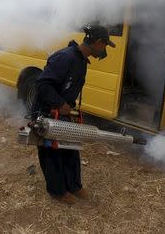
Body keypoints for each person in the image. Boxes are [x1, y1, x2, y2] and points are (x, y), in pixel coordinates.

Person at [32, 24, 116, 205]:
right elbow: (42, 85)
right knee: (52, 153)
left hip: (63, 112)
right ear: (98, 42)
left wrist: (69, 105)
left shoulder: (81, 60)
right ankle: (58, 191)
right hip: (47, 113)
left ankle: (74, 186)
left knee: (71, 148)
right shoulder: (66, 57)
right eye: (105, 45)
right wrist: (60, 104)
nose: (104, 50)